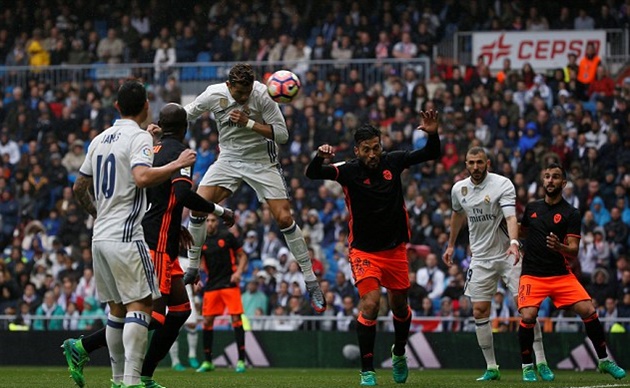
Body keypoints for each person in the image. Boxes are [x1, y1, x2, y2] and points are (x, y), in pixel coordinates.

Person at [65, 101, 233, 388]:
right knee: (149, 315)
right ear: (185, 128)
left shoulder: (148, 148)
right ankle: (85, 348)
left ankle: (143, 374)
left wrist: (175, 224)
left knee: (180, 311)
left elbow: (158, 194)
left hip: (162, 238)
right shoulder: (178, 152)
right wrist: (219, 210)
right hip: (153, 243)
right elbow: (181, 194)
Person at [305, 110, 440, 386]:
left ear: (381, 146)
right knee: (370, 304)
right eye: (366, 149)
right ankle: (367, 370)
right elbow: (312, 173)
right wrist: (320, 156)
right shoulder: (349, 170)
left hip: (395, 250)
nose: (372, 154)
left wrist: (433, 133)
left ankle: (399, 352)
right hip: (364, 251)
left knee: (400, 307)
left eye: (376, 148)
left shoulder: (394, 161)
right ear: (357, 150)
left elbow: (430, 153)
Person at [183, 63, 325, 313]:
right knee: (197, 205)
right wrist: (163, 127)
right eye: (239, 93)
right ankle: (193, 267)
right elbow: (188, 113)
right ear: (229, 87)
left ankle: (310, 279)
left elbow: (282, 135)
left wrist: (249, 123)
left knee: (284, 218)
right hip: (228, 159)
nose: (244, 97)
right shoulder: (214, 94)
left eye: (247, 91)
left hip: (262, 162)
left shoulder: (263, 95)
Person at [442, 147, 553, 382]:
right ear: (466, 164)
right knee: (479, 311)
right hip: (480, 259)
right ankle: (492, 367)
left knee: (526, 308)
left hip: (508, 255)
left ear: (487, 163)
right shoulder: (458, 189)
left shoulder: (502, 184)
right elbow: (457, 215)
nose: (475, 167)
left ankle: (540, 361)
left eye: (479, 162)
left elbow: (511, 216)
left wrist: (514, 242)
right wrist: (451, 244)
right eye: (471, 162)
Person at [517, 163, 626, 382]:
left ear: (563, 183)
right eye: (547, 176)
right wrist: (508, 229)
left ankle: (604, 361)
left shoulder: (571, 213)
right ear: (542, 180)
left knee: (588, 309)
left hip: (560, 275)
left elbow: (574, 252)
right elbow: (522, 232)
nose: (550, 180)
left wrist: (559, 247)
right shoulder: (531, 208)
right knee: (528, 315)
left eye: (555, 177)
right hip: (532, 274)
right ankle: (528, 366)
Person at [196, 213, 248, 373]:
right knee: (207, 321)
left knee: (236, 319)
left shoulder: (227, 236)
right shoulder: (201, 239)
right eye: (208, 220)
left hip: (229, 283)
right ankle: (208, 362)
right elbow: (197, 261)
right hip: (212, 285)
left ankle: (241, 361)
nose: (210, 223)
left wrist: (238, 272)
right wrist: (197, 278)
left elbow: (243, 255)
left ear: (217, 222)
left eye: (212, 220)